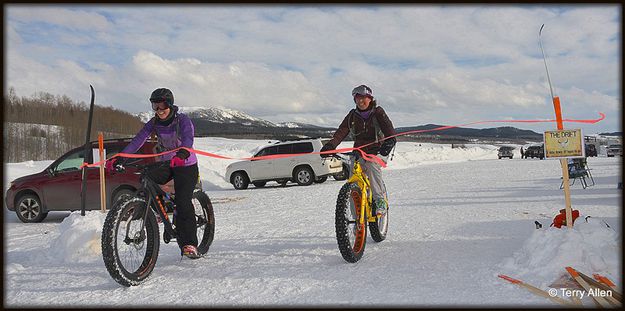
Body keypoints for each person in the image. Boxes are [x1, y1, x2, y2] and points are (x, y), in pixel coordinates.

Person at [106, 88, 201, 259]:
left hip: (186, 164)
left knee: (183, 201)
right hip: (168, 164)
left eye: (162, 105)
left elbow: (188, 139)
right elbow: (137, 141)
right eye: (154, 105)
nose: (158, 110)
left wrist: (183, 153)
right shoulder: (154, 123)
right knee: (146, 177)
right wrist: (120, 158)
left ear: (170, 104)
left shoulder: (182, 120)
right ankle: (158, 211)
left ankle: (190, 243)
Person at [320, 84, 396, 216]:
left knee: (372, 165)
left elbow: (390, 133)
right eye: (357, 98)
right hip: (359, 151)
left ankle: (380, 201)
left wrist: (388, 144)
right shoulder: (352, 115)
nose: (360, 101)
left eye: (363, 98)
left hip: (378, 150)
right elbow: (341, 132)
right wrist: (330, 146)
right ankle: (356, 219)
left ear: (370, 98)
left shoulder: (378, 112)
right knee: (354, 179)